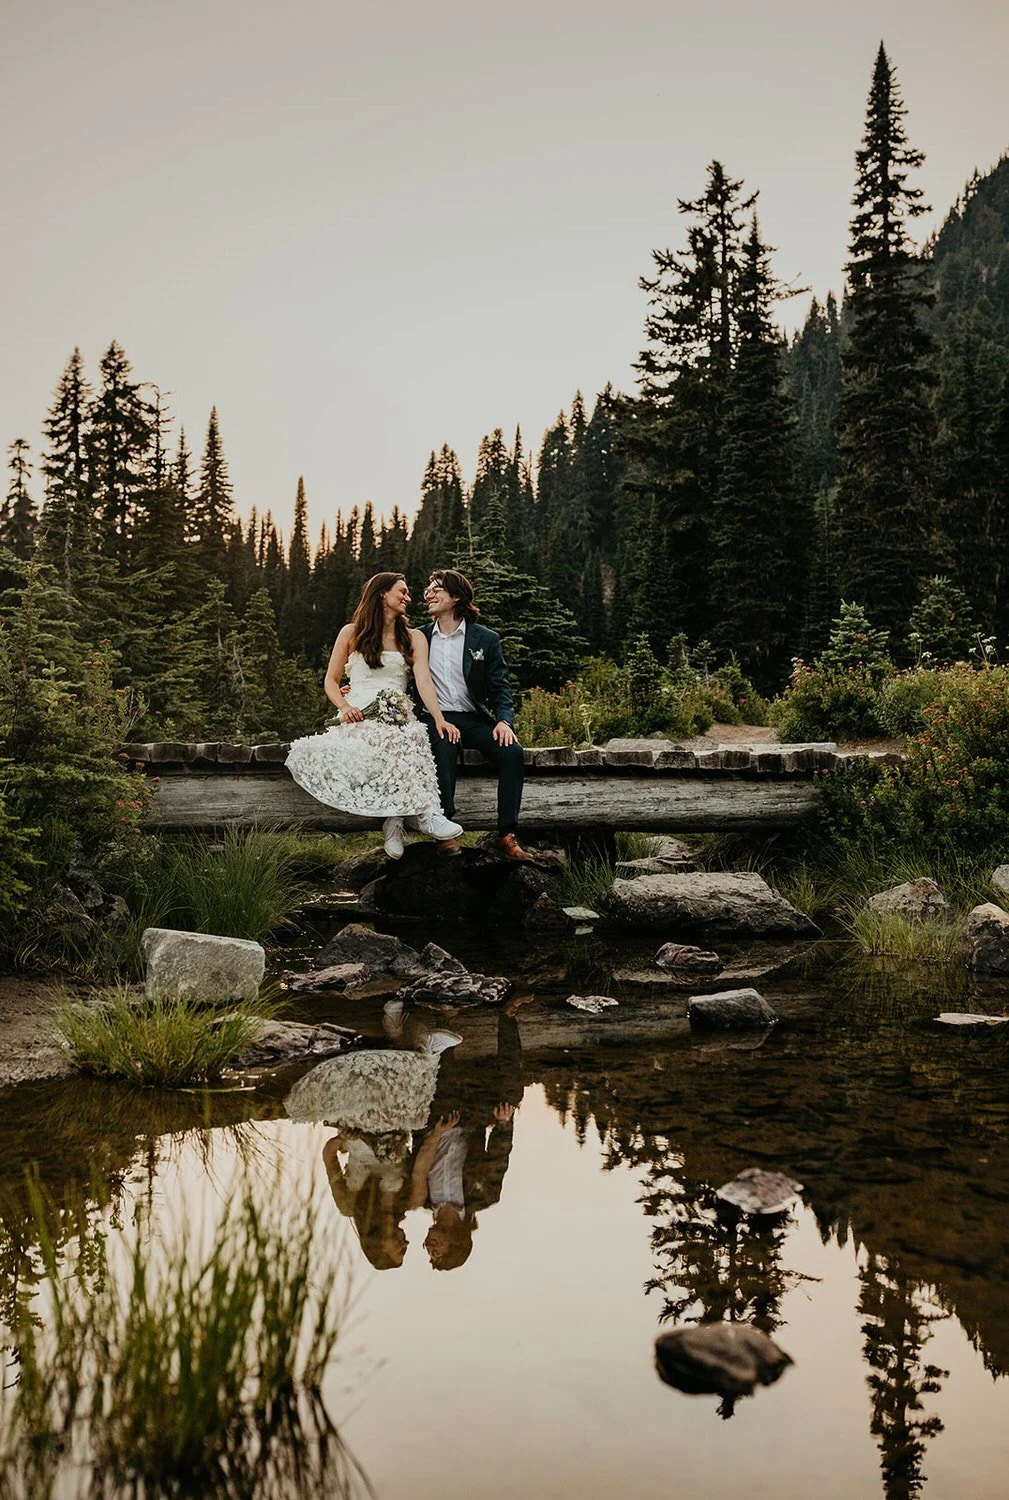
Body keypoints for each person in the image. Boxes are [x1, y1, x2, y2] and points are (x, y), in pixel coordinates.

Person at [286, 571, 463, 859]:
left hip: (398, 714)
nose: (408, 597)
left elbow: (424, 681)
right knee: (385, 737)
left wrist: (439, 717)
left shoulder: (414, 637)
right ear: (382, 594)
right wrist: (345, 707)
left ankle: (401, 821)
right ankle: (416, 816)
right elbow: (330, 681)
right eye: (402, 592)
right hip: (360, 715)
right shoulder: (351, 632)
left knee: (415, 734)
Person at [419, 568, 529, 859]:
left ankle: (506, 834)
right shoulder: (419, 637)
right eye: (427, 589)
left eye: (436, 588)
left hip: (474, 718)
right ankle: (446, 829)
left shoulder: (486, 639)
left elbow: (500, 686)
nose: (428, 593)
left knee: (512, 752)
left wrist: (504, 721)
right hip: (436, 717)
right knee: (444, 741)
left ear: (456, 597)